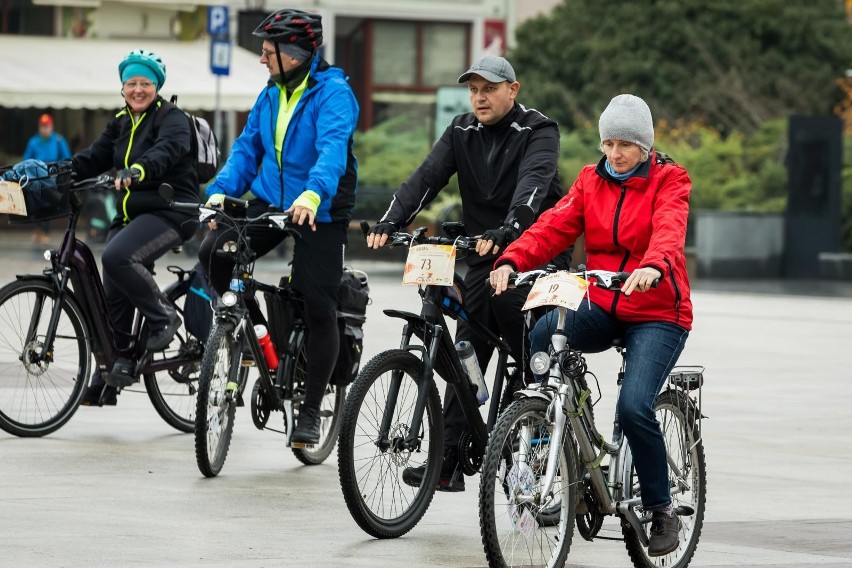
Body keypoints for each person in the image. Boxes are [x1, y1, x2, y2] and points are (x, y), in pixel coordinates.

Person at [490, 94, 693, 557]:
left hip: (658, 309)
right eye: (608, 142)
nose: (615, 153)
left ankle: (660, 508)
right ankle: (552, 445)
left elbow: (669, 229)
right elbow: (553, 226)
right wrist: (511, 259)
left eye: (625, 144)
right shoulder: (590, 179)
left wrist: (655, 265)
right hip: (604, 300)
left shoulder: (670, 180)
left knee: (634, 406)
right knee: (544, 338)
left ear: (645, 145)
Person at [366, 55, 570, 492]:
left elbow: (532, 188)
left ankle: (536, 431)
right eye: (474, 90)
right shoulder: (461, 130)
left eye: (489, 89)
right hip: (484, 256)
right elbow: (427, 176)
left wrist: (510, 230)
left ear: (512, 91)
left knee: (527, 349)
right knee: (465, 349)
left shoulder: (539, 130)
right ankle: (451, 457)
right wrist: (392, 219)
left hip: (534, 256)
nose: (480, 97)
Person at [197, 9, 359, 445]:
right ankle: (249, 330)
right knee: (214, 251)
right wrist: (219, 193)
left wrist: (312, 195)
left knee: (318, 302)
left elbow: (331, 153)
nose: (262, 59)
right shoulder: (271, 94)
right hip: (271, 199)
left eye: (268, 52)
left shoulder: (334, 93)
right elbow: (247, 150)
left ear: (294, 54)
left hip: (319, 209)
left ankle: (309, 410)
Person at [72, 49, 200, 406]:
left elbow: (166, 152)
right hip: (130, 215)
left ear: (156, 86)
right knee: (112, 291)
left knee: (117, 256)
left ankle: (164, 319)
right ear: (123, 87)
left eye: (145, 83)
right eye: (132, 83)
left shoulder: (172, 118)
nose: (138, 90)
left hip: (172, 211)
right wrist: (53, 172)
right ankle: (116, 370)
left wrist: (137, 171)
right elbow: (92, 158)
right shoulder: (120, 122)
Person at [23, 113, 72, 244]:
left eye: (47, 126)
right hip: (36, 177)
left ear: (52, 126)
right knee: (35, 202)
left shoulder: (58, 140)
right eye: (43, 126)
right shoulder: (33, 141)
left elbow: (67, 158)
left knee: (48, 202)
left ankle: (45, 231)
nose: (45, 129)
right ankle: (38, 229)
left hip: (51, 176)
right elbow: (26, 159)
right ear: (39, 127)